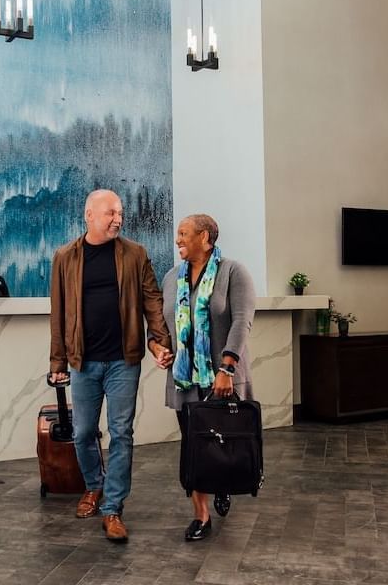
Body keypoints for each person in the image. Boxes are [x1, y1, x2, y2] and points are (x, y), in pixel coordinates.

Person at [49, 189, 173, 543]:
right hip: (82, 362)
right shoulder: (65, 257)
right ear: (89, 215)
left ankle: (113, 508)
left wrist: (159, 339)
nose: (117, 218)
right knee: (83, 432)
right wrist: (57, 360)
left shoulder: (135, 254)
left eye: (119, 213)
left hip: (123, 360)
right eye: (110, 213)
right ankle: (94, 486)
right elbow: (58, 311)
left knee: (121, 433)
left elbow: (152, 299)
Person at [161, 214, 256, 541]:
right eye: (178, 234)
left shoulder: (233, 272)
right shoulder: (171, 277)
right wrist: (159, 347)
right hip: (185, 379)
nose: (178, 240)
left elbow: (242, 320)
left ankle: (223, 484)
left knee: (223, 444)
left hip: (222, 378)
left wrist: (227, 367)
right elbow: (164, 325)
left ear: (206, 237)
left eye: (184, 234)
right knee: (193, 446)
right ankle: (201, 516)